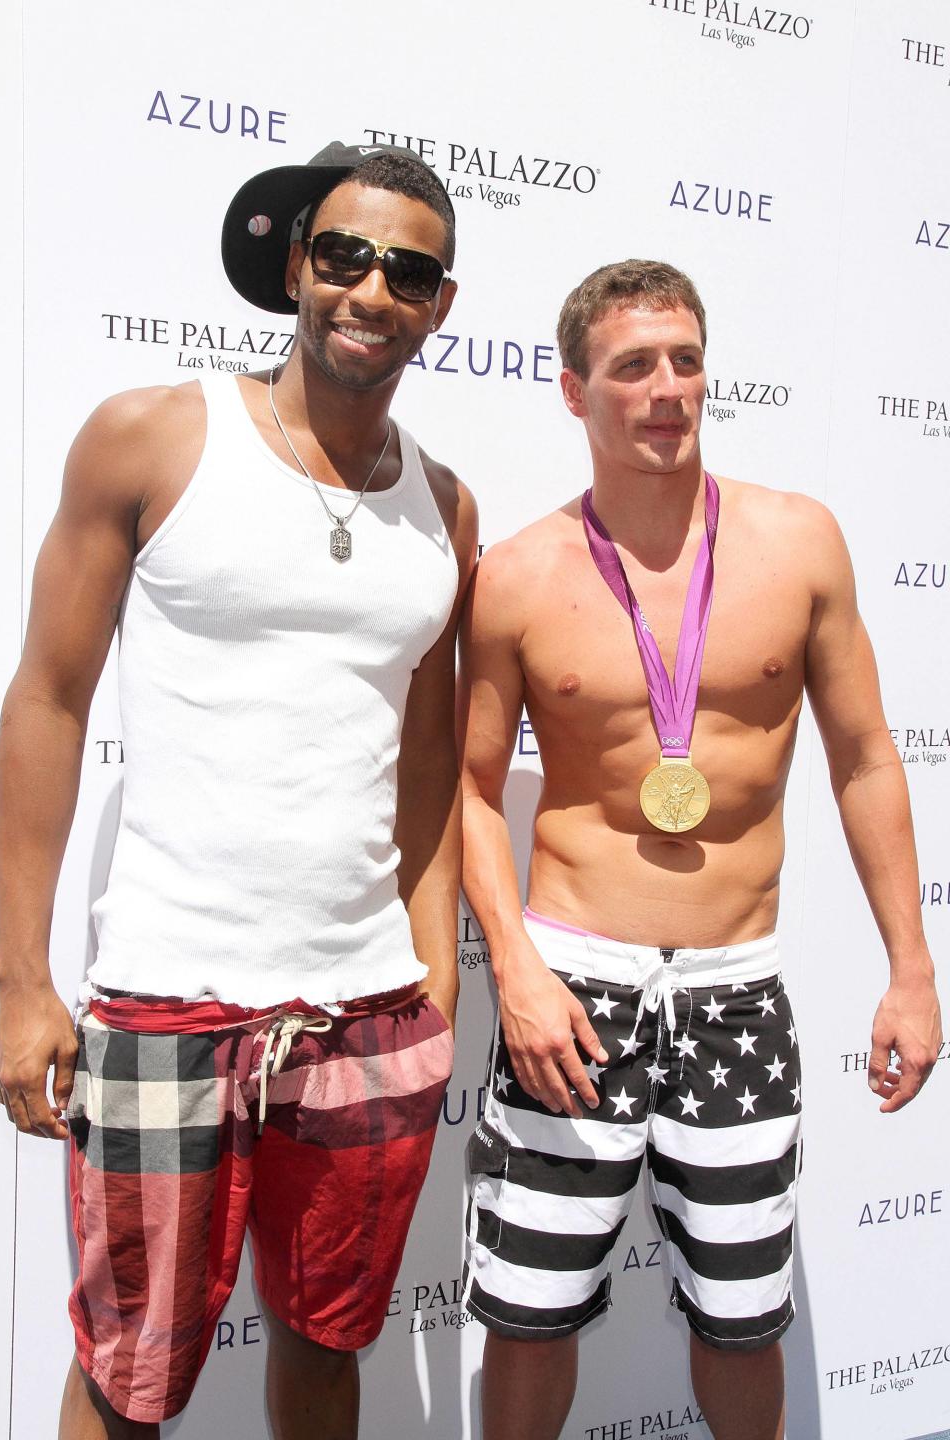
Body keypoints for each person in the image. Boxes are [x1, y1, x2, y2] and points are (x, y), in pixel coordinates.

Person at [0, 140, 477, 1439]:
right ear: (295, 265)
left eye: (409, 271)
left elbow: (430, 756)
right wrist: (23, 981)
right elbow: (46, 700)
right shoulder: (154, 436)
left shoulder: (446, 507)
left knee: (327, 1345)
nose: (372, 290)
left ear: (440, 304)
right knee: (128, 1377)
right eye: (345, 255)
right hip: (164, 1004)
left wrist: (433, 976)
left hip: (367, 1015)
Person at [457, 259, 941, 1440]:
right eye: (633, 366)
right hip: (573, 990)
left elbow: (868, 757)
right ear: (573, 391)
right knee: (529, 1313)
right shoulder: (518, 575)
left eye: (685, 359)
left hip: (736, 988)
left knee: (743, 1312)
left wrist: (912, 969)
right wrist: (516, 970)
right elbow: (465, 792)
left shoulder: (798, 542)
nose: (668, 388)